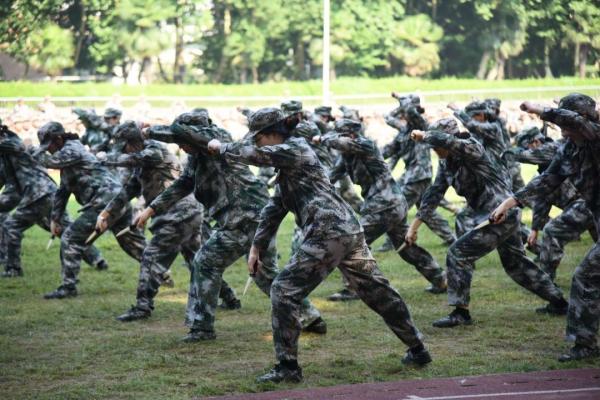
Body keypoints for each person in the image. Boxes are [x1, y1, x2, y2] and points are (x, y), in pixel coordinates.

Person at [207, 107, 432, 383]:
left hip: (328, 232)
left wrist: (219, 146)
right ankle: (418, 348)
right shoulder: (287, 165)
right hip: (346, 231)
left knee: (283, 290)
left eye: (259, 138)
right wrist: (257, 248)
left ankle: (288, 367)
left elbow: (253, 155)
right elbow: (274, 209)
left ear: (272, 134)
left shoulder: (295, 149)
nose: (257, 143)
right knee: (377, 291)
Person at [137, 111, 326, 342]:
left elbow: (181, 132)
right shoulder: (198, 156)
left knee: (205, 262)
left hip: (244, 215)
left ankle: (202, 327)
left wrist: (148, 131)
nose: (180, 146)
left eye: (182, 141)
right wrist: (151, 209)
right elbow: (185, 183)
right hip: (253, 215)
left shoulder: (215, 140)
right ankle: (310, 317)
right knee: (264, 273)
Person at [405, 117, 567, 328]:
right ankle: (559, 302)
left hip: (501, 214)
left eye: (437, 146)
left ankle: (461, 313)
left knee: (458, 253)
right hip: (487, 216)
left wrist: (425, 135)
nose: (435, 151)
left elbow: (449, 142)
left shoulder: (472, 148)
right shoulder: (447, 163)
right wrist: (414, 226)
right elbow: (434, 193)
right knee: (516, 264)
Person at [491, 93, 600, 362]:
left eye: (566, 119)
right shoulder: (568, 149)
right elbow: (547, 180)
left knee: (585, 278)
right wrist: (510, 202)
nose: (561, 127)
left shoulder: (596, 136)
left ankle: (585, 344)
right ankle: (585, 343)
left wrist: (540, 109)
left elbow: (578, 122)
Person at [315, 118, 447, 295]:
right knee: (406, 248)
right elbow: (331, 176)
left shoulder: (365, 145)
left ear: (351, 135)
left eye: (340, 136)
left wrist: (321, 138)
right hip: (386, 205)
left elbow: (339, 143)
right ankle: (440, 279)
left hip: (384, 205)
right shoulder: (347, 156)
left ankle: (355, 288)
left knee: (352, 243)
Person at [96, 121, 208, 321]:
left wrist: (104, 158)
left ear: (133, 143)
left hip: (177, 215)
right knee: (196, 260)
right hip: (185, 214)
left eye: (125, 146)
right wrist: (106, 213)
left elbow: (134, 159)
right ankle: (229, 297)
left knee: (151, 257)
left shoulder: (154, 150)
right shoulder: (142, 162)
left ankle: (142, 307)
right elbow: (129, 190)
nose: (124, 151)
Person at [34, 122, 146, 299]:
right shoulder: (67, 158)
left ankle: (68, 287)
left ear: (59, 139)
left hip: (105, 202)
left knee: (71, 238)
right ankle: (160, 270)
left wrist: (31, 151)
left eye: (49, 146)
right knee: (130, 242)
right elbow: (63, 191)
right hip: (116, 199)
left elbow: (48, 162)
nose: (49, 150)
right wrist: (55, 219)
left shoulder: (72, 149)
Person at [0, 124, 107, 278]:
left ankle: (13, 269)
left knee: (11, 226)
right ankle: (97, 259)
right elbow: (5, 177)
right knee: (64, 229)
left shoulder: (10, 142)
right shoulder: (6, 152)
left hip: (38, 194)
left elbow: (19, 147)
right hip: (44, 192)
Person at [506, 127, 595, 281]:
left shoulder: (553, 148)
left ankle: (546, 283)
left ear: (535, 142)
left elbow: (528, 156)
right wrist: (534, 229)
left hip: (587, 203)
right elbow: (542, 198)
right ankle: (547, 281)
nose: (527, 150)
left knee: (552, 231)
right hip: (583, 207)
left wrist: (507, 153)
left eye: (526, 147)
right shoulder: (544, 168)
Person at [381, 93, 456, 249]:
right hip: (414, 176)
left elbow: (410, 111)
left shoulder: (421, 125)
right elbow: (389, 148)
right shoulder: (404, 131)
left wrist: (401, 99)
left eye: (404, 112)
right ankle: (451, 238)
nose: (403, 115)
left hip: (418, 176)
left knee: (398, 206)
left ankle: (392, 241)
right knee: (426, 210)